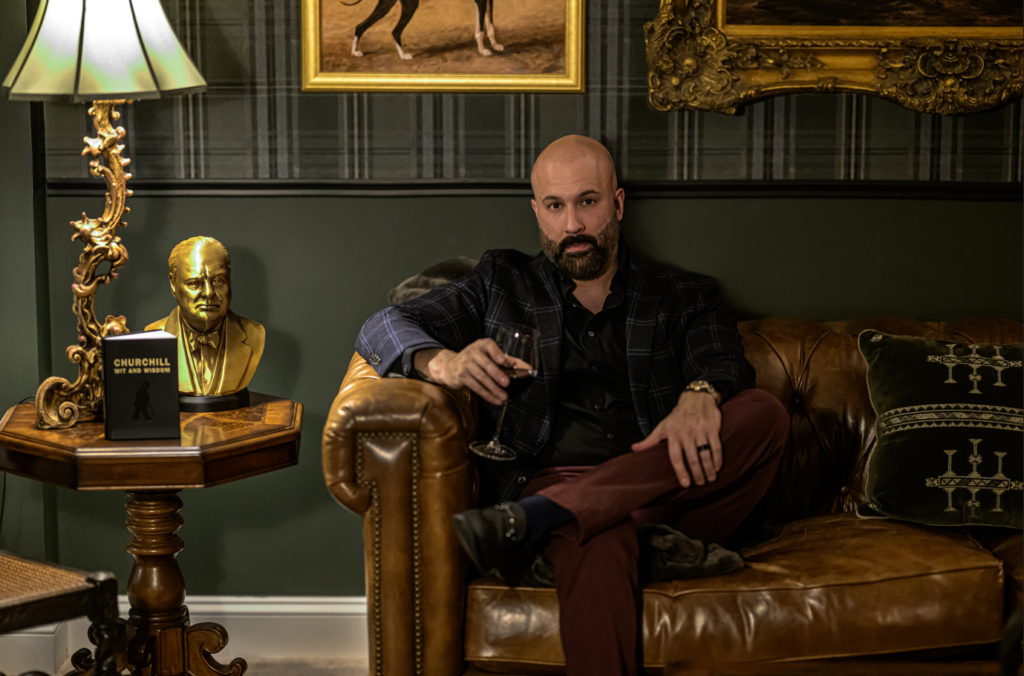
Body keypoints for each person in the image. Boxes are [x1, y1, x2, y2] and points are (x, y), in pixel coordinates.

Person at [356, 135, 788, 675]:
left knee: (764, 413)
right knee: (600, 532)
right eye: (555, 206)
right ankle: (586, 518)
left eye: (587, 201)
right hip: (549, 480)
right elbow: (381, 326)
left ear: (618, 204)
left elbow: (725, 362)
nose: (573, 225)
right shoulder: (501, 281)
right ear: (537, 212)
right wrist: (442, 364)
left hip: (672, 489)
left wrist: (701, 395)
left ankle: (547, 519)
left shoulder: (683, 295)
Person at [147, 236, 265, 396]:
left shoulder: (254, 334)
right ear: (173, 284)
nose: (209, 293)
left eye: (218, 280)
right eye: (194, 283)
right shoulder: (153, 338)